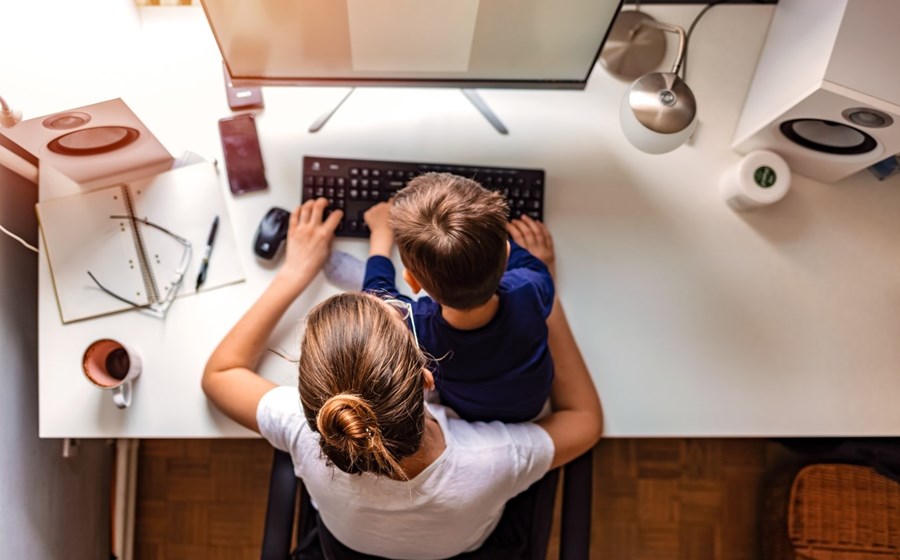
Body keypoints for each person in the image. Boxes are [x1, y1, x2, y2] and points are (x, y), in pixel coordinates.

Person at [202, 198, 603, 559]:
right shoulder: (491, 459)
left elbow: (219, 374)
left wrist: (295, 272)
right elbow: (585, 421)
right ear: (429, 379)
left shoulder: (307, 431)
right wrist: (544, 299)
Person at [362, 173, 555, 423]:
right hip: (531, 405)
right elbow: (525, 263)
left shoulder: (417, 329)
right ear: (507, 255)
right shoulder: (532, 285)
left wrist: (379, 238)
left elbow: (377, 300)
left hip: (468, 412)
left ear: (412, 281)